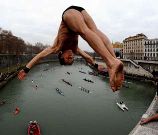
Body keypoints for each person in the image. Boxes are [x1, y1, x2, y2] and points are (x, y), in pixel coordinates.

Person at [18, 5, 124, 92]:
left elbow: (39, 56)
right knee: (95, 31)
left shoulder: (56, 47)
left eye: (68, 58)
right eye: (72, 59)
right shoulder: (75, 49)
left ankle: (111, 63)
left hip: (68, 14)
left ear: (61, 55)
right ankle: (114, 59)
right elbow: (87, 58)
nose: (71, 57)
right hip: (81, 11)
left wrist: (26, 69)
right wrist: (96, 66)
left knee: (84, 31)